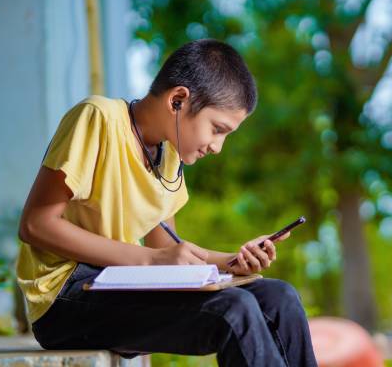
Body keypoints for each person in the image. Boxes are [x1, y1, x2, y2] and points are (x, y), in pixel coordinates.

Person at [16, 39, 317, 367]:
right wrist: (152, 259)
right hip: (65, 298)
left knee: (279, 298)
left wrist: (231, 261)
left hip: (122, 288)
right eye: (217, 129)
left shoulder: (169, 156)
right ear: (178, 100)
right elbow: (35, 224)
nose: (218, 147)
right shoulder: (98, 119)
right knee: (235, 311)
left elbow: (168, 258)